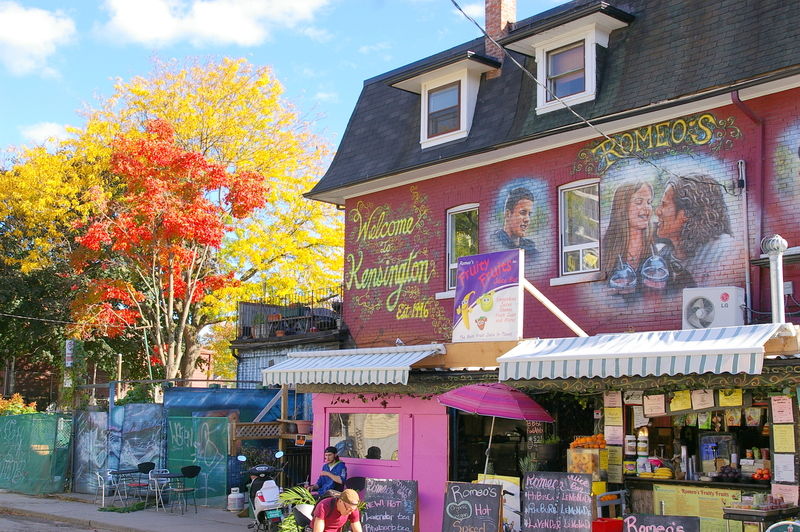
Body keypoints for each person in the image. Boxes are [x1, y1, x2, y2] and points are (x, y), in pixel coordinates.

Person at [655, 173, 733, 285]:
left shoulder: (723, 250)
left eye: (664, 205)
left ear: (686, 213)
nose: (657, 212)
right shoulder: (662, 255)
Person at [601, 181, 655, 277]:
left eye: (649, 202)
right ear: (622, 207)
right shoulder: (606, 246)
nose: (646, 207)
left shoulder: (656, 241)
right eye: (639, 202)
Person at [495, 187, 538, 256]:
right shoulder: (495, 242)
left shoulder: (532, 251)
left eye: (529, 214)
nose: (527, 219)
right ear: (508, 214)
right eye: (523, 213)